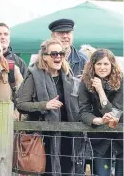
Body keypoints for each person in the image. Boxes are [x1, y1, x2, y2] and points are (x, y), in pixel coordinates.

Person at [16, 38, 84, 175]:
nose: (58, 56)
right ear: (45, 57)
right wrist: (45, 105)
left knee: (66, 171)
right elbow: (21, 104)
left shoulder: (69, 78)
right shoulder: (34, 76)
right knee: (46, 171)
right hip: (42, 136)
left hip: (68, 135)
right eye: (54, 54)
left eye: (61, 53)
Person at [78, 49, 123, 176]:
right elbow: (83, 112)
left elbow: (115, 115)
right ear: (92, 65)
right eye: (98, 64)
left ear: (112, 65)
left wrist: (100, 91)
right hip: (100, 138)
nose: (102, 67)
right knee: (102, 173)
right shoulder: (85, 82)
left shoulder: (121, 81)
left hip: (121, 138)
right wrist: (99, 120)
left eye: (106, 64)